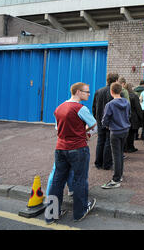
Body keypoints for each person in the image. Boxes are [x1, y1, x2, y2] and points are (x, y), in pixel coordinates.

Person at [47, 82, 97, 223]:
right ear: (77, 92)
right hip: (78, 148)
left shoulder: (59, 107)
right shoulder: (81, 108)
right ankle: (79, 212)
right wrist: (85, 133)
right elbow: (94, 126)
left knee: (57, 180)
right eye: (86, 92)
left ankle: (51, 214)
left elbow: (58, 128)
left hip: (60, 148)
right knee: (79, 180)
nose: (88, 94)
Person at [100, 82, 131, 189]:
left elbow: (105, 120)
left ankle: (116, 179)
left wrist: (107, 126)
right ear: (121, 91)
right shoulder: (126, 102)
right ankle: (120, 175)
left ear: (111, 91)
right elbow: (129, 115)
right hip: (125, 130)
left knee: (116, 155)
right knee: (120, 153)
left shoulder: (110, 104)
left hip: (115, 131)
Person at [92, 72, 119, 170]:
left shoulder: (99, 91)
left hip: (100, 120)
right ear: (116, 80)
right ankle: (106, 164)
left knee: (100, 141)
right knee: (108, 142)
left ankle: (98, 163)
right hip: (111, 121)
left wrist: (97, 118)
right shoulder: (114, 92)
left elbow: (94, 107)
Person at [124, 83, 143, 153]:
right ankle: (130, 147)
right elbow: (138, 108)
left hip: (125, 116)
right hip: (133, 117)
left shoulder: (123, 95)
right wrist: (141, 117)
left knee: (126, 133)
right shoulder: (134, 96)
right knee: (131, 133)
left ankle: (125, 147)